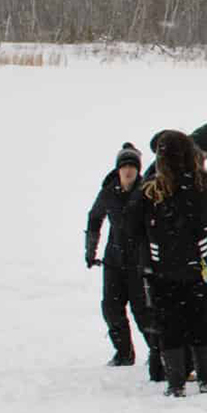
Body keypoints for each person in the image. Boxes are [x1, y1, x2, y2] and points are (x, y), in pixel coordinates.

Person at [123, 131, 207, 397]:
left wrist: (155, 240)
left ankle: (175, 382)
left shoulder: (151, 189)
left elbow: (130, 226)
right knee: (202, 322)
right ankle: (206, 378)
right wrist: (201, 236)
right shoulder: (206, 185)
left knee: (169, 325)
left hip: (163, 272)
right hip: (199, 267)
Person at [86, 142, 159, 371]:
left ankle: (157, 353)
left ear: (138, 170)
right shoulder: (108, 192)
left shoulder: (146, 191)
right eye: (124, 166)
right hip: (114, 261)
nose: (128, 171)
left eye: (132, 166)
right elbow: (94, 217)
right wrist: (91, 250)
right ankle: (124, 353)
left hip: (139, 263)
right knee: (111, 308)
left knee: (143, 311)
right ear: (118, 169)